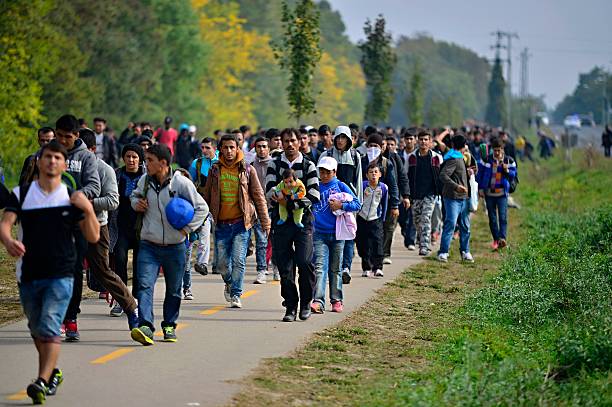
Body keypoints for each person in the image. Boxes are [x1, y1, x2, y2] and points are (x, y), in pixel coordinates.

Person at [0, 140, 100, 404]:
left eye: (58, 157)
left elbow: (93, 235)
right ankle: (53, 372)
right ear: (39, 161)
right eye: (48, 157)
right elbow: (5, 224)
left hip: (61, 273)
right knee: (36, 328)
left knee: (49, 325)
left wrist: (88, 208)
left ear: (64, 164)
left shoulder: (71, 198)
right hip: (28, 273)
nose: (52, 161)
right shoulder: (21, 194)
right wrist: (9, 241)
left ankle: (42, 381)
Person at [129, 144, 208, 345]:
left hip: (176, 247)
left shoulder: (180, 184)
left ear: (163, 163)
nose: (145, 164)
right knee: (145, 286)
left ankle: (169, 325)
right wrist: (136, 204)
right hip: (149, 244)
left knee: (174, 289)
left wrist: (186, 229)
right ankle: (146, 325)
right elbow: (134, 196)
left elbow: (202, 208)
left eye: (149, 160)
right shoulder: (144, 181)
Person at [202, 134, 270, 308]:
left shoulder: (247, 169)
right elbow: (206, 196)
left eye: (232, 147)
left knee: (239, 260)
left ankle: (236, 294)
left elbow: (259, 196)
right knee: (222, 264)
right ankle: (229, 282)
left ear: (238, 148)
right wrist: (201, 218)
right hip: (222, 224)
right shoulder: (215, 170)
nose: (229, 151)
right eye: (225, 147)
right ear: (220, 150)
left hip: (241, 223)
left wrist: (265, 222)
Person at [265, 128, 320, 322]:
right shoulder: (274, 164)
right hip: (280, 223)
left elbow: (313, 195)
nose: (289, 144)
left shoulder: (308, 166)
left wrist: (288, 203)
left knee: (305, 262)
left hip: (303, 222)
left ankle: (306, 302)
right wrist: (283, 201)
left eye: (293, 140)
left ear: (300, 142)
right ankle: (290, 306)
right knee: (285, 267)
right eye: (285, 141)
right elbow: (270, 192)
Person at [55, 114, 101, 341]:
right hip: (50, 223)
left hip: (77, 222)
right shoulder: (49, 155)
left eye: (68, 137)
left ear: (76, 136)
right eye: (59, 136)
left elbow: (94, 185)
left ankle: (70, 318)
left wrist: (72, 196)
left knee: (73, 270)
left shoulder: (86, 158)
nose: (63, 140)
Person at [311, 157, 361, 313]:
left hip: (338, 235)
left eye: (327, 172)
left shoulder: (341, 186)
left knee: (336, 269)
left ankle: (336, 300)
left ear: (334, 172)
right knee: (320, 268)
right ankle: (318, 301)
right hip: (319, 233)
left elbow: (357, 204)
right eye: (322, 171)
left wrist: (342, 205)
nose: (324, 175)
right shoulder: (315, 187)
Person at [320, 125, 363, 284]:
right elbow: (320, 178)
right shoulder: (327, 154)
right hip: (329, 201)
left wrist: (358, 202)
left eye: (344, 137)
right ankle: (332, 266)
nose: (340, 140)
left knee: (349, 234)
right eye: (338, 137)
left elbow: (358, 178)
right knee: (332, 233)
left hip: (349, 200)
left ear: (349, 139)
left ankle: (346, 267)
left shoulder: (355, 155)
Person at [110, 144, 145, 302]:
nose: (131, 160)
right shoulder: (116, 175)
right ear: (123, 158)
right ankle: (122, 299)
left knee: (139, 266)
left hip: (141, 228)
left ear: (140, 159)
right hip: (120, 227)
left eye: (134, 157)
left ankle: (136, 298)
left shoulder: (147, 176)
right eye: (128, 157)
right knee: (120, 261)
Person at [437, 134, 474, 263]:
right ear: (463, 146)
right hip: (452, 197)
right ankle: (443, 252)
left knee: (465, 226)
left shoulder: (459, 157)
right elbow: (443, 175)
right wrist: (456, 186)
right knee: (451, 224)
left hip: (463, 198)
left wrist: (468, 172)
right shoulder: (454, 159)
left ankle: (465, 251)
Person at [407, 130, 443, 256]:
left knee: (425, 218)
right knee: (417, 220)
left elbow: (441, 175)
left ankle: (424, 245)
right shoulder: (411, 157)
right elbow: (406, 176)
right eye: (421, 139)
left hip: (431, 194)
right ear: (418, 141)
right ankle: (421, 238)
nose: (423, 142)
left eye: (426, 139)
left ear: (430, 141)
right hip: (416, 194)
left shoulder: (436, 158)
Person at [477, 137, 517, 249]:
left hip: (502, 193)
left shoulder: (509, 161)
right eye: (495, 150)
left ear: (502, 149)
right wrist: (480, 189)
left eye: (499, 150)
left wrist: (507, 170)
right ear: (492, 150)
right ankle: (496, 239)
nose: (497, 153)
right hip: (489, 193)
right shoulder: (486, 160)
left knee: (503, 217)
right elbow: (479, 175)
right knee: (492, 218)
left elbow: (513, 175)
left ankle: (502, 239)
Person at [189, 137, 218, 276]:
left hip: (221, 204)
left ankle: (220, 263)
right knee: (204, 234)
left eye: (208, 148)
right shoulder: (197, 163)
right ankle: (202, 263)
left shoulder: (222, 162)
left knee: (221, 237)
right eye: (203, 148)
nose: (205, 150)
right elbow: (189, 182)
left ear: (215, 148)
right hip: (203, 204)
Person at [356, 164, 388, 277]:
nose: (373, 174)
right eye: (371, 172)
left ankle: (378, 267)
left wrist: (382, 218)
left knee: (377, 242)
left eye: (375, 172)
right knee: (363, 243)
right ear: (366, 175)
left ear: (380, 174)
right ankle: (366, 267)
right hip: (362, 218)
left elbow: (384, 204)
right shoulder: (363, 186)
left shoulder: (383, 188)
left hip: (376, 219)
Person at [251, 137, 276, 283]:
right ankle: (261, 269)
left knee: (275, 239)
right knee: (261, 240)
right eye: (259, 146)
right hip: (258, 208)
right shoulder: (250, 166)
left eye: (264, 146)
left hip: (274, 206)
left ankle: (277, 268)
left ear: (268, 148)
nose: (261, 149)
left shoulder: (275, 164)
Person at [398, 128, 418, 250]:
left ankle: (410, 240)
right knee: (402, 216)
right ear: (404, 140)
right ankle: (405, 231)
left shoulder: (419, 155)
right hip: (401, 189)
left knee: (412, 214)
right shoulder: (399, 155)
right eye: (407, 139)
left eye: (411, 139)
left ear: (415, 140)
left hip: (414, 188)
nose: (409, 141)